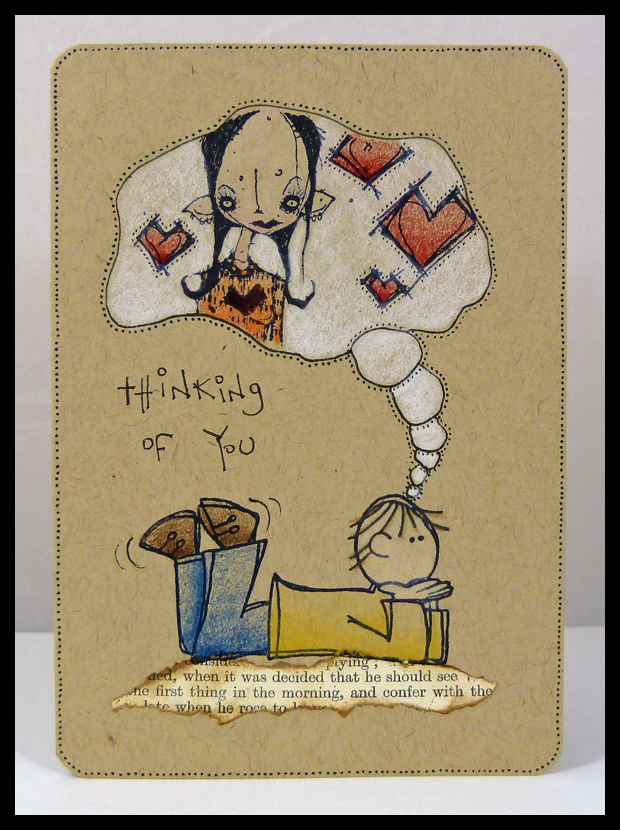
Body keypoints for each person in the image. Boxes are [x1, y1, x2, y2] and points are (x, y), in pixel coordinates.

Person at [140, 495, 452, 664]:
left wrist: (410, 598)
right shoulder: (386, 604)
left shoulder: (389, 601)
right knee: (211, 639)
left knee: (194, 643)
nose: (428, 544)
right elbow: (411, 644)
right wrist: (406, 598)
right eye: (417, 538)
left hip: (286, 621)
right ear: (381, 546)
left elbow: (418, 644)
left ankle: (185, 552)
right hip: (285, 627)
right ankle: (237, 545)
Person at [181, 109, 322, 346]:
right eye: (231, 199)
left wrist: (295, 280)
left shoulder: (281, 250)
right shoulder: (221, 235)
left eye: (290, 201)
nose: (262, 213)